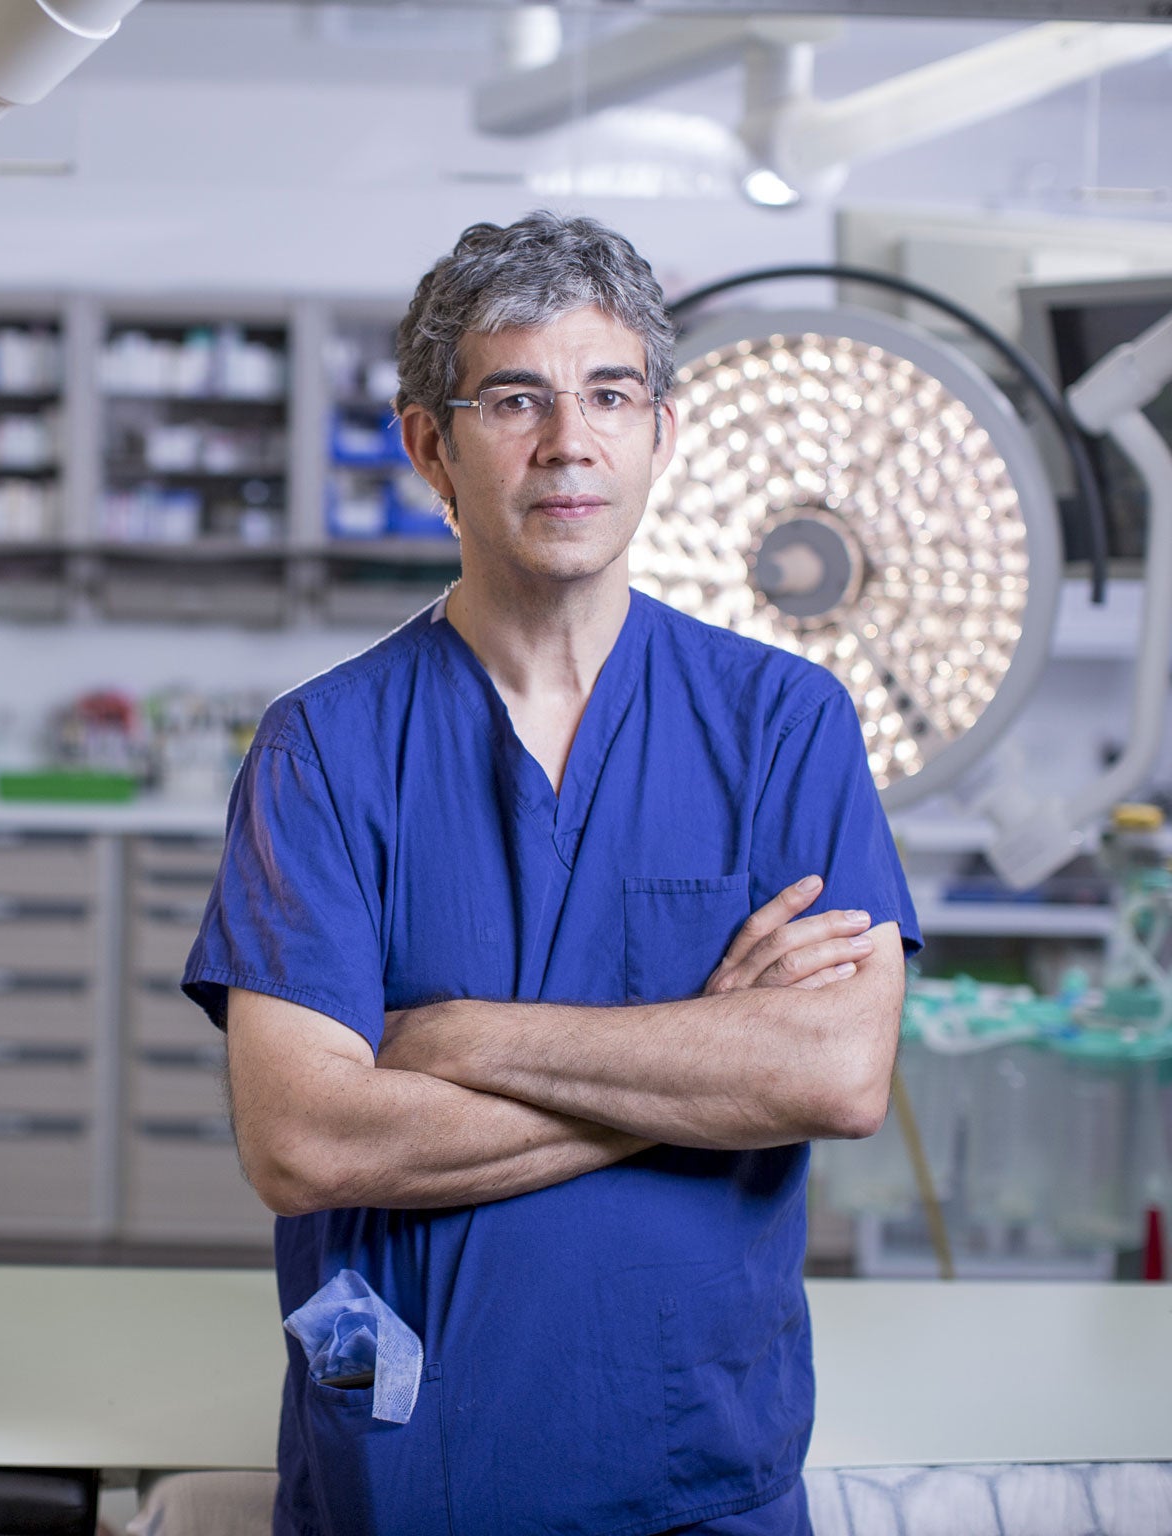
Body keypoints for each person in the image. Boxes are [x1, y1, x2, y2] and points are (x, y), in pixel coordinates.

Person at [180, 211, 920, 1536]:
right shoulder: (327, 750)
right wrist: (708, 1065)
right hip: (404, 1480)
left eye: (611, 394)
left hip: (702, 1481)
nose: (570, 440)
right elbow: (304, 1137)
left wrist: (456, 1038)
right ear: (431, 447)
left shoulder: (781, 724)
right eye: (515, 397)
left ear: (661, 435)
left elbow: (835, 1075)